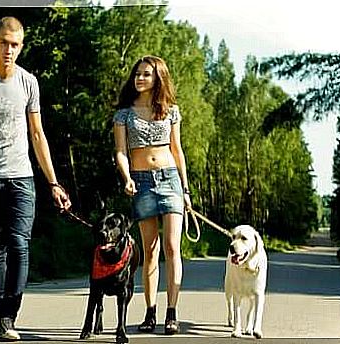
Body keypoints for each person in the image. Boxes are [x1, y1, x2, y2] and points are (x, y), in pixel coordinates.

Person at [0, 16, 71, 341]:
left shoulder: (28, 82)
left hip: (21, 177)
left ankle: (8, 316)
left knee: (19, 243)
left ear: (21, 47)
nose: (9, 50)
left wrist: (53, 182)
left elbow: (37, 133)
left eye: (15, 44)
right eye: (4, 42)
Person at [113, 55, 192, 335]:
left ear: (158, 78)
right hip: (141, 181)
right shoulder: (124, 113)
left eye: (146, 74)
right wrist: (127, 178)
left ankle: (172, 313)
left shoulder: (171, 111)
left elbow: (177, 149)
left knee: (172, 247)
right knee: (150, 250)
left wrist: (185, 189)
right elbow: (121, 151)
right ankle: (150, 313)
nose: (140, 78)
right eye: (138, 74)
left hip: (170, 178)